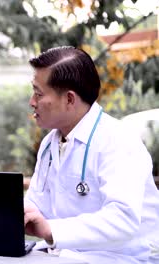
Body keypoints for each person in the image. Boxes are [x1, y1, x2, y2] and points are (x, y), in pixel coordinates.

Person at [24, 46, 159, 264]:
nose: (32, 101)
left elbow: (123, 219)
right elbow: (37, 205)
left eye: (39, 94)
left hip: (125, 257)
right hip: (69, 255)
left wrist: (51, 230)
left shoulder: (118, 140)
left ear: (69, 99)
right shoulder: (51, 143)